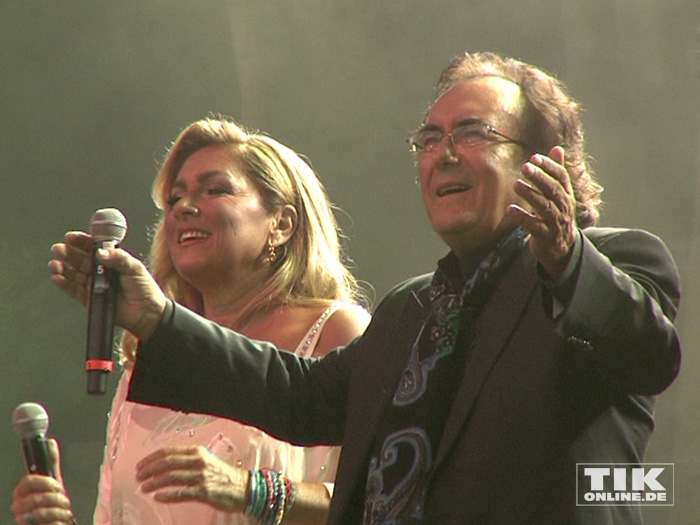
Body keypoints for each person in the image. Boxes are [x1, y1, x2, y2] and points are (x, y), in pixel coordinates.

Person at [42, 51, 680, 523]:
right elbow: (298, 392)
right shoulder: (414, 310)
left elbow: (648, 355)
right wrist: (156, 319)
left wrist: (566, 259)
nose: (443, 153)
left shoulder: (611, 262)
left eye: (472, 133)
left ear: (546, 162)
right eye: (429, 139)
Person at [11, 117, 371, 525]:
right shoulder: (152, 353)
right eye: (175, 198)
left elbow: (376, 497)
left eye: (215, 189)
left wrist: (247, 488)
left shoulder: (335, 331)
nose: (184, 206)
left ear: (282, 224)